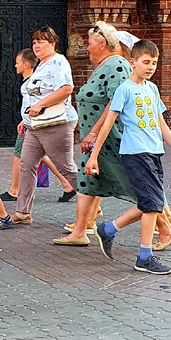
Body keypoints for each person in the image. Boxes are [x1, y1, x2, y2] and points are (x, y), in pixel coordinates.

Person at [85, 38, 171, 274]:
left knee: (149, 204)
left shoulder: (151, 89)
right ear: (133, 62)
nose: (150, 67)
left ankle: (108, 230)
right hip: (135, 153)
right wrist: (94, 156)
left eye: (154, 63)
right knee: (153, 205)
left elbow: (161, 123)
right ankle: (144, 256)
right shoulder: (125, 89)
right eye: (146, 62)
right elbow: (108, 123)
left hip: (154, 153)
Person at [54, 22, 133, 247]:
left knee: (134, 184)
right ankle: (80, 231)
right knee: (87, 183)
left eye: (90, 44)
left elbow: (114, 104)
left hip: (109, 139)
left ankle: (165, 224)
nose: (86, 48)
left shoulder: (117, 65)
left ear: (103, 45)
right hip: (94, 141)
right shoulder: (104, 65)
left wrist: (95, 133)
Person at [9, 28, 77, 225]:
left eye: (41, 42)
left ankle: (90, 206)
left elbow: (66, 89)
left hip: (55, 124)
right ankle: (23, 212)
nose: (36, 45)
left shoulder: (58, 62)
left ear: (53, 44)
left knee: (66, 168)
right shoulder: (42, 65)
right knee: (27, 164)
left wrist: (39, 105)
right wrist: (25, 118)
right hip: (35, 125)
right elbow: (35, 94)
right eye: (34, 42)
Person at [0, 48, 75, 206]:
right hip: (31, 123)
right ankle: (24, 209)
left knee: (23, 157)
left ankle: (15, 190)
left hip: (39, 124)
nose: (15, 66)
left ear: (26, 65)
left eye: (17, 63)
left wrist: (34, 112)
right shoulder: (36, 76)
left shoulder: (44, 73)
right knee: (34, 160)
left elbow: (59, 93)